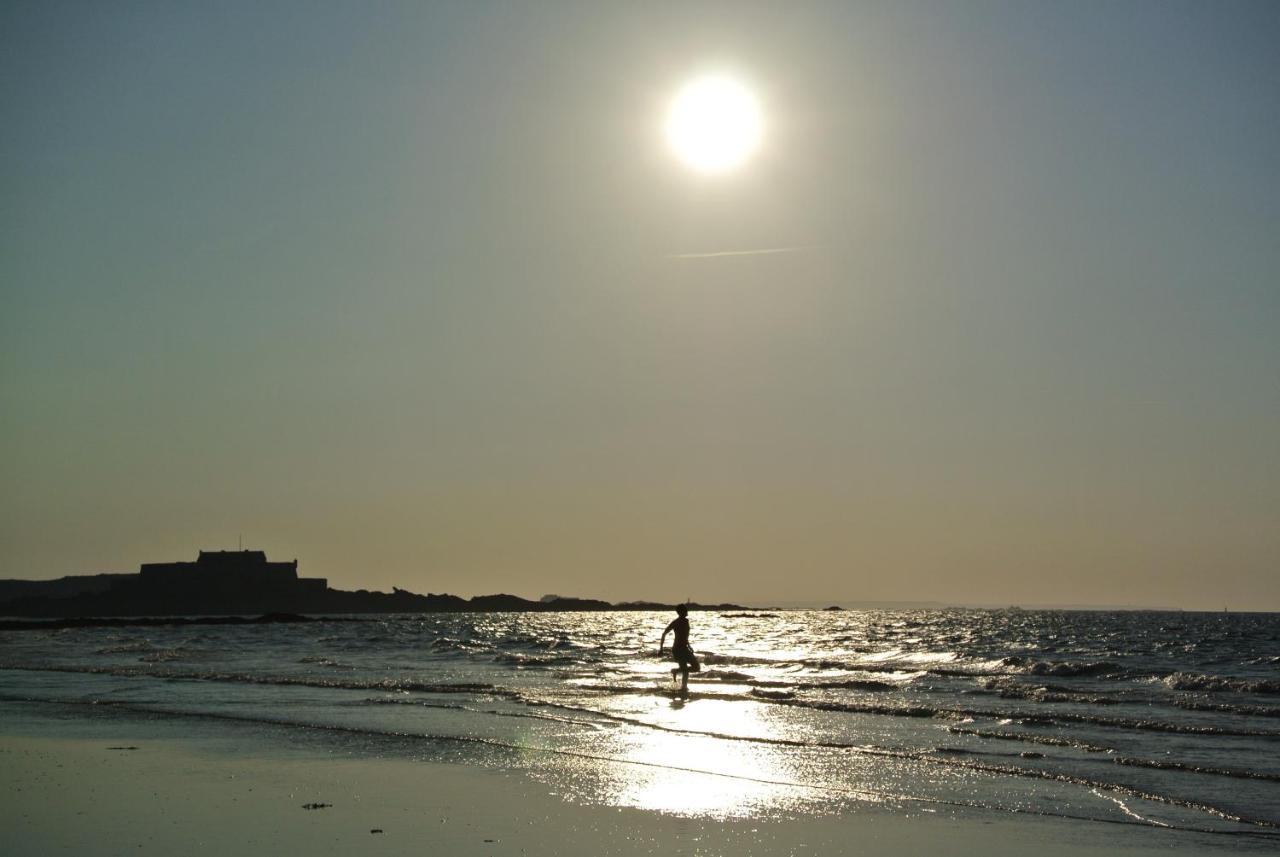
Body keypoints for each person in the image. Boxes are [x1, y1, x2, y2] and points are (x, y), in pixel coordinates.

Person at [657, 604, 700, 691]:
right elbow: (664, 633)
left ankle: (676, 671)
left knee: (696, 667)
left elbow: (684, 635)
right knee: (685, 670)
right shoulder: (676, 622)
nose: (687, 611)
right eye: (685, 610)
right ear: (681, 612)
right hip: (678, 649)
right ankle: (684, 687)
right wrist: (661, 648)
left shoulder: (686, 621)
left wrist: (688, 645)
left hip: (685, 648)